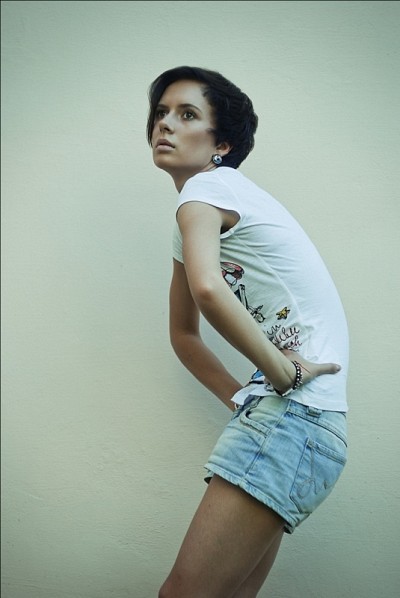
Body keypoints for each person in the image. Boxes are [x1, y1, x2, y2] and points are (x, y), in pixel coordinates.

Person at [147, 66, 349, 598]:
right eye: (161, 112)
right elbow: (184, 335)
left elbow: (208, 288)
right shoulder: (205, 209)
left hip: (295, 418)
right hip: (304, 425)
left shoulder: (206, 190)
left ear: (223, 144)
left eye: (187, 114)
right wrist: (242, 398)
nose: (164, 123)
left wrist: (281, 373)